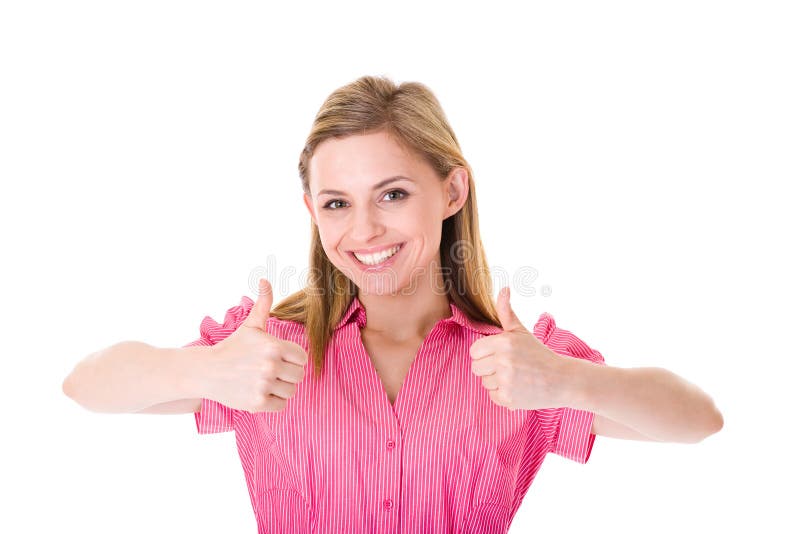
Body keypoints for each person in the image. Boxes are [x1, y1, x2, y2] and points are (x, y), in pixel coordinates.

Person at [62, 74, 724, 533]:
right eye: (337, 204)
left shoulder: (518, 362)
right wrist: (202, 373)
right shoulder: (267, 350)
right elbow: (85, 385)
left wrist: (569, 380)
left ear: (453, 191)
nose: (364, 231)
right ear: (312, 212)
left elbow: (698, 420)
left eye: (394, 194)